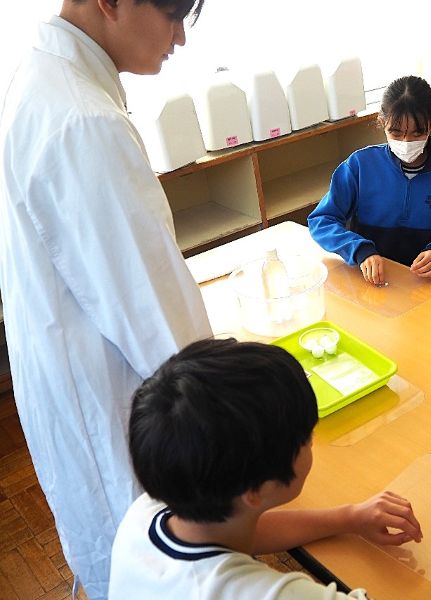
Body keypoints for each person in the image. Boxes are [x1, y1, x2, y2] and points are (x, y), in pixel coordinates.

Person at [0, 1, 211, 597]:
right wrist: (239, 410)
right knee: (156, 567)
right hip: (116, 407)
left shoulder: (41, 75)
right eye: (173, 13)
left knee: (115, 564)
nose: (180, 38)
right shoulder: (84, 121)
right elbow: (162, 326)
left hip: (74, 387)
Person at [109, 338, 431, 600]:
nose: (311, 441)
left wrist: (349, 517)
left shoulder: (148, 514)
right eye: (304, 437)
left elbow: (244, 528)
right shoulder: (270, 595)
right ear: (255, 491)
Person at [308, 75, 431, 285]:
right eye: (396, 132)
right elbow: (322, 220)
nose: (406, 141)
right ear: (382, 122)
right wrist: (359, 249)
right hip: (371, 282)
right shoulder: (360, 166)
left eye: (417, 133)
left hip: (426, 282)